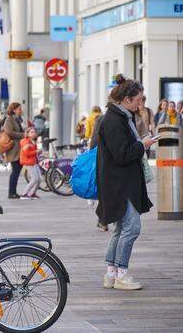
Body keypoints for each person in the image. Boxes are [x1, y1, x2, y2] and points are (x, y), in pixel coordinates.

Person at [97, 74, 158, 291]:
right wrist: (143, 144)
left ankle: (111, 274)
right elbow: (121, 154)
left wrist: (142, 144)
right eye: (139, 99)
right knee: (132, 228)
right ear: (126, 99)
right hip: (120, 184)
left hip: (120, 182)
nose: (141, 103)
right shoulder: (114, 120)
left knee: (121, 228)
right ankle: (121, 273)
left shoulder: (121, 117)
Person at [3, 102, 25, 199]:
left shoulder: (17, 120)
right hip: (13, 149)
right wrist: (22, 135)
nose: (21, 110)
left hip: (19, 148)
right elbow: (8, 132)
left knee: (17, 170)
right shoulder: (9, 119)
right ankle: (11, 192)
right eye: (19, 109)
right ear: (14, 110)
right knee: (15, 171)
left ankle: (13, 192)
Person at [20, 127, 40, 199]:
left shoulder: (33, 141)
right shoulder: (25, 141)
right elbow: (26, 153)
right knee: (34, 178)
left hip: (34, 161)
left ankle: (32, 193)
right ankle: (24, 194)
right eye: (31, 132)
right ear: (27, 134)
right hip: (29, 162)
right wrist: (36, 151)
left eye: (34, 132)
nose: (34, 133)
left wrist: (38, 153)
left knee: (39, 179)